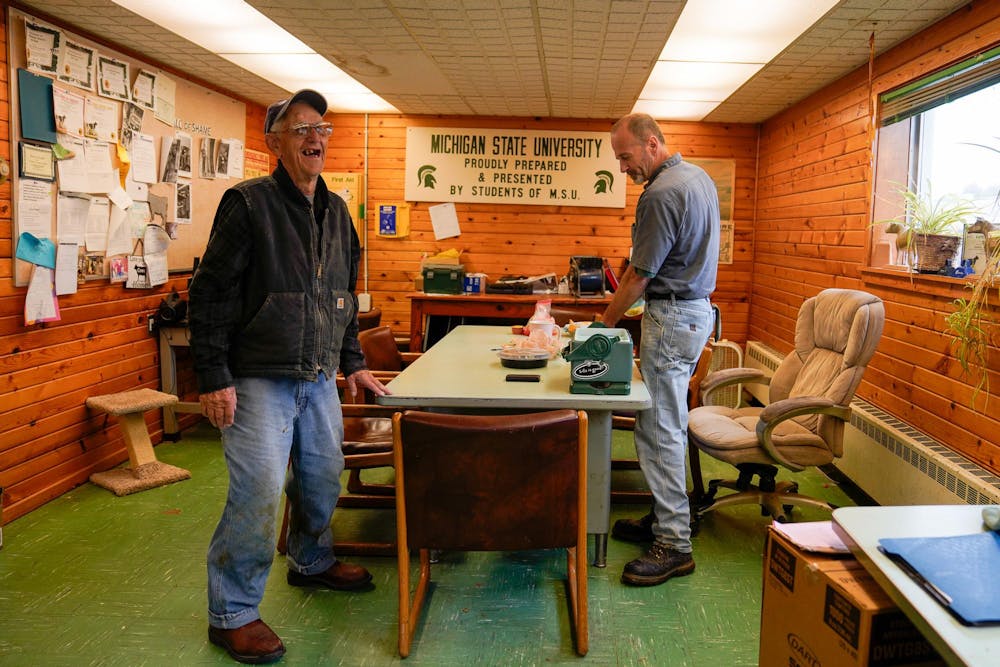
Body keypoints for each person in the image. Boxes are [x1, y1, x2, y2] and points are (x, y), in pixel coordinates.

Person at [188, 89, 389, 664]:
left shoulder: (337, 211)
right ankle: (232, 612)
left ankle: (312, 559)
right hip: (257, 377)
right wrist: (213, 375)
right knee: (257, 493)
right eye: (299, 129)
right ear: (275, 141)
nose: (313, 138)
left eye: (320, 127)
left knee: (323, 479)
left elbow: (342, 300)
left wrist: (351, 362)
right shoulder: (248, 204)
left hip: (318, 374)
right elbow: (210, 293)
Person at [598, 113, 719, 587]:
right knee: (661, 422)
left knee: (660, 430)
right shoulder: (699, 178)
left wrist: (604, 323)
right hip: (695, 311)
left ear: (651, 144)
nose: (624, 168)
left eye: (626, 157)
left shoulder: (662, 193)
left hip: (670, 317)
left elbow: (639, 275)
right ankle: (663, 517)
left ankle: (674, 543)